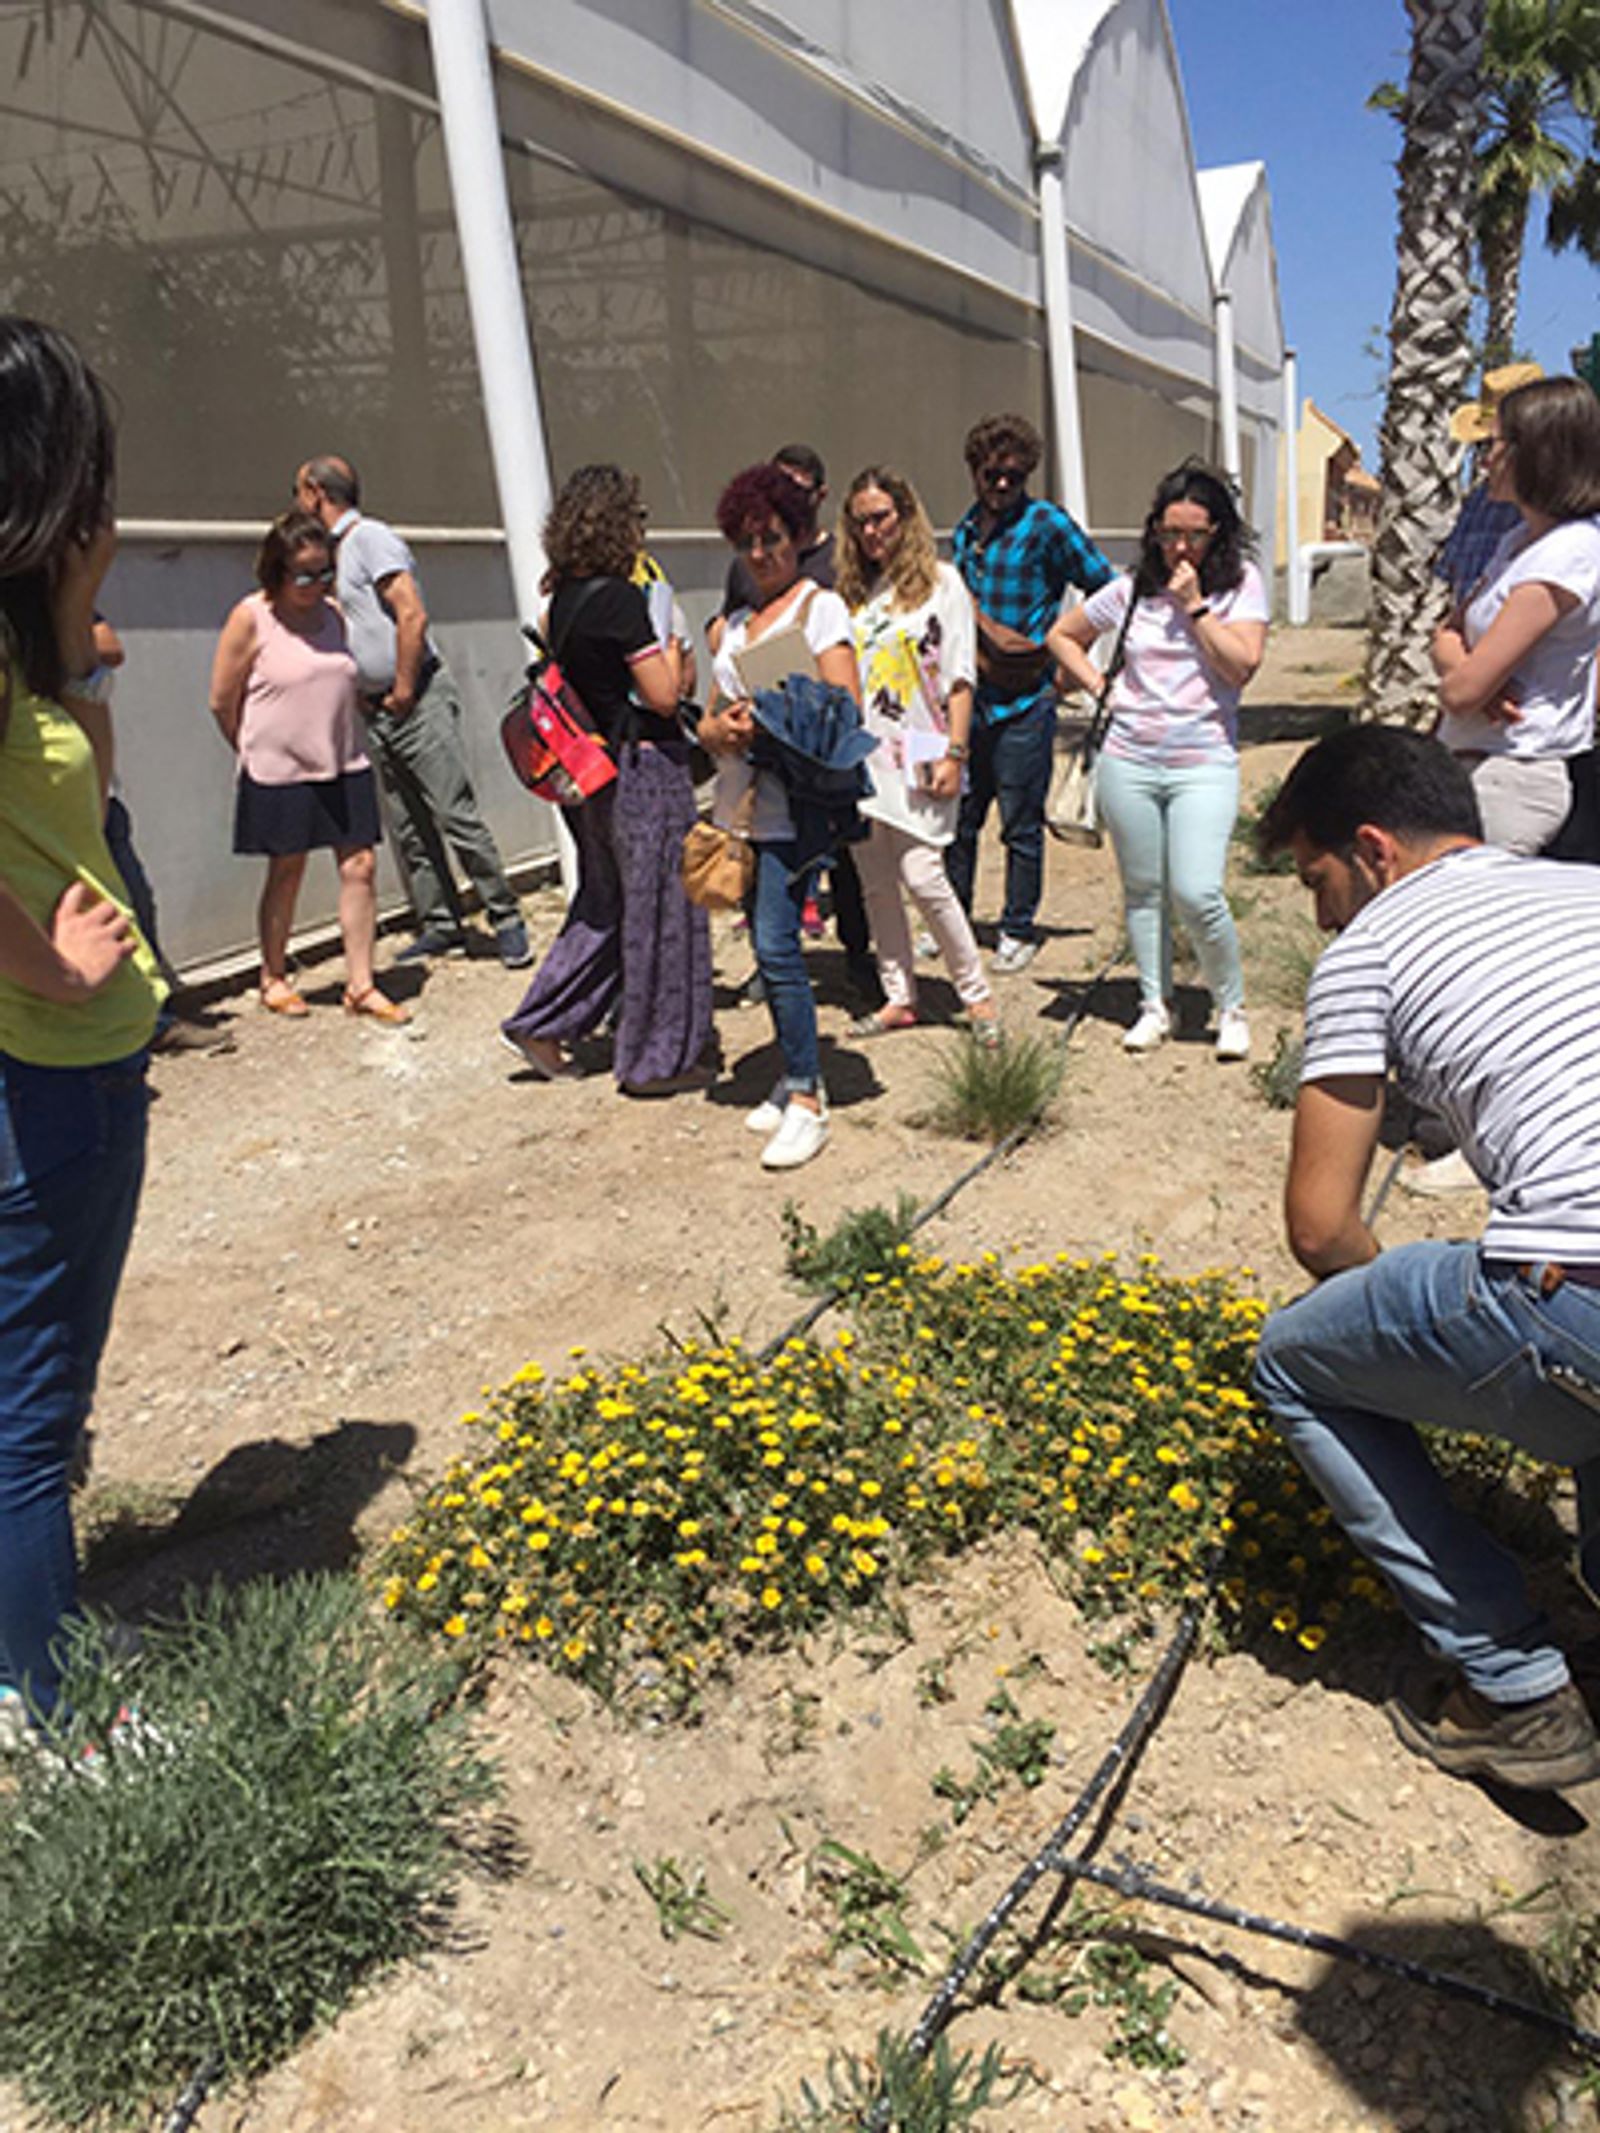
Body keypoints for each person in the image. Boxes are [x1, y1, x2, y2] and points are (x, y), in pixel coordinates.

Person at [1251, 724, 1600, 1794]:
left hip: (1579, 1298)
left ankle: (1510, 1684)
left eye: (1317, 882)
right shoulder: (1585, 888)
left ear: (1372, 850)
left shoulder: (1369, 948)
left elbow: (1321, 1227)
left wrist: (1419, 1339)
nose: (1321, 916)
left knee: (1293, 1362)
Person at [0, 317, 164, 1733]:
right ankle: (63, 1714)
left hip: (86, 1059)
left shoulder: (23, 635)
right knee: (30, 1408)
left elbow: (92, 793)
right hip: (37, 1065)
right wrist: (48, 968)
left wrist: (72, 614)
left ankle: (26, 1649)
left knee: (41, 1394)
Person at [500, 465, 712, 1095]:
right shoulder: (622, 601)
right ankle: (654, 1060)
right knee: (661, 911)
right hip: (645, 769)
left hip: (593, 772)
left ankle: (543, 1022)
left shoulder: (561, 600)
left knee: (606, 902)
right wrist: (671, 650)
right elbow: (664, 695)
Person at [1050, 462, 1268, 1059]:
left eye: (1195, 534)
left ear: (1218, 534)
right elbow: (1062, 635)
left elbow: (1241, 666)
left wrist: (1195, 606)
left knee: (1197, 891)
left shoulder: (1240, 585)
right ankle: (1154, 1003)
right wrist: (1101, 687)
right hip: (1130, 757)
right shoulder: (1131, 590)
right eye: (1169, 533)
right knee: (1143, 889)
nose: (1180, 547)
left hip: (1203, 760)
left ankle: (1230, 1007)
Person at [292, 456, 531, 969]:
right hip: (378, 707)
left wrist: (403, 689)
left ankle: (506, 917)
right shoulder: (336, 553)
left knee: (454, 813)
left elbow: (411, 613)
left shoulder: (370, 539)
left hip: (415, 699)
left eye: (299, 493)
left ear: (316, 492)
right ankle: (441, 922)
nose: (296, 503)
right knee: (409, 824)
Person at [699, 462, 863, 1171]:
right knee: (769, 950)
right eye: (746, 541)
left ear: (796, 534)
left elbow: (845, 706)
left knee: (774, 944)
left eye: (770, 537)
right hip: (742, 808)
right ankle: (795, 1069)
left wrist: (771, 716)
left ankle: (805, 1096)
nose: (760, 552)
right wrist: (722, 729)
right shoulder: (735, 625)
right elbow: (707, 719)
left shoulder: (821, 608)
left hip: (797, 809)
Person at [208, 510, 406, 1024]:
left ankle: (361, 984)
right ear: (277, 571)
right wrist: (250, 750)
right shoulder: (251, 617)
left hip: (342, 759)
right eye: (304, 576)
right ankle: (273, 977)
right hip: (280, 768)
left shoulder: (334, 615)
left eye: (325, 573)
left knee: (360, 866)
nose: (317, 585)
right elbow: (222, 699)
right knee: (287, 869)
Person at [833, 465, 998, 1043]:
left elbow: (959, 676)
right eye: (860, 522)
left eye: (880, 517)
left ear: (904, 515)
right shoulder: (852, 597)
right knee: (875, 881)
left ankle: (976, 996)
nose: (871, 531)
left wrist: (956, 751)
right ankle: (899, 995)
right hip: (862, 754)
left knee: (923, 874)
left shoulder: (943, 584)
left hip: (924, 745)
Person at [947, 412, 1113, 975]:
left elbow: (1106, 589)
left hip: (1026, 702)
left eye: (1013, 476)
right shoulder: (966, 531)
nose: (1001, 485)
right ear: (974, 471)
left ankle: (1017, 927)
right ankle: (954, 922)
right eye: (992, 474)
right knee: (959, 820)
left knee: (1020, 823)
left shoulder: (1047, 524)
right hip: (970, 700)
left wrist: (1070, 658)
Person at [1432, 374, 1600, 857]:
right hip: (1474, 763)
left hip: (1513, 775)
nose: (1485, 460)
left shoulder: (1569, 552)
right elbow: (1446, 634)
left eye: (1495, 445)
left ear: (1536, 453)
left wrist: (1469, 683)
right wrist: (1474, 677)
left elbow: (1460, 692)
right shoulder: (1518, 543)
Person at [1435, 362, 1542, 604]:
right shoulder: (1478, 501)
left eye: (1493, 445)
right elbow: (1454, 579)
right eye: (1481, 447)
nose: (1485, 460)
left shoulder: (1572, 525)